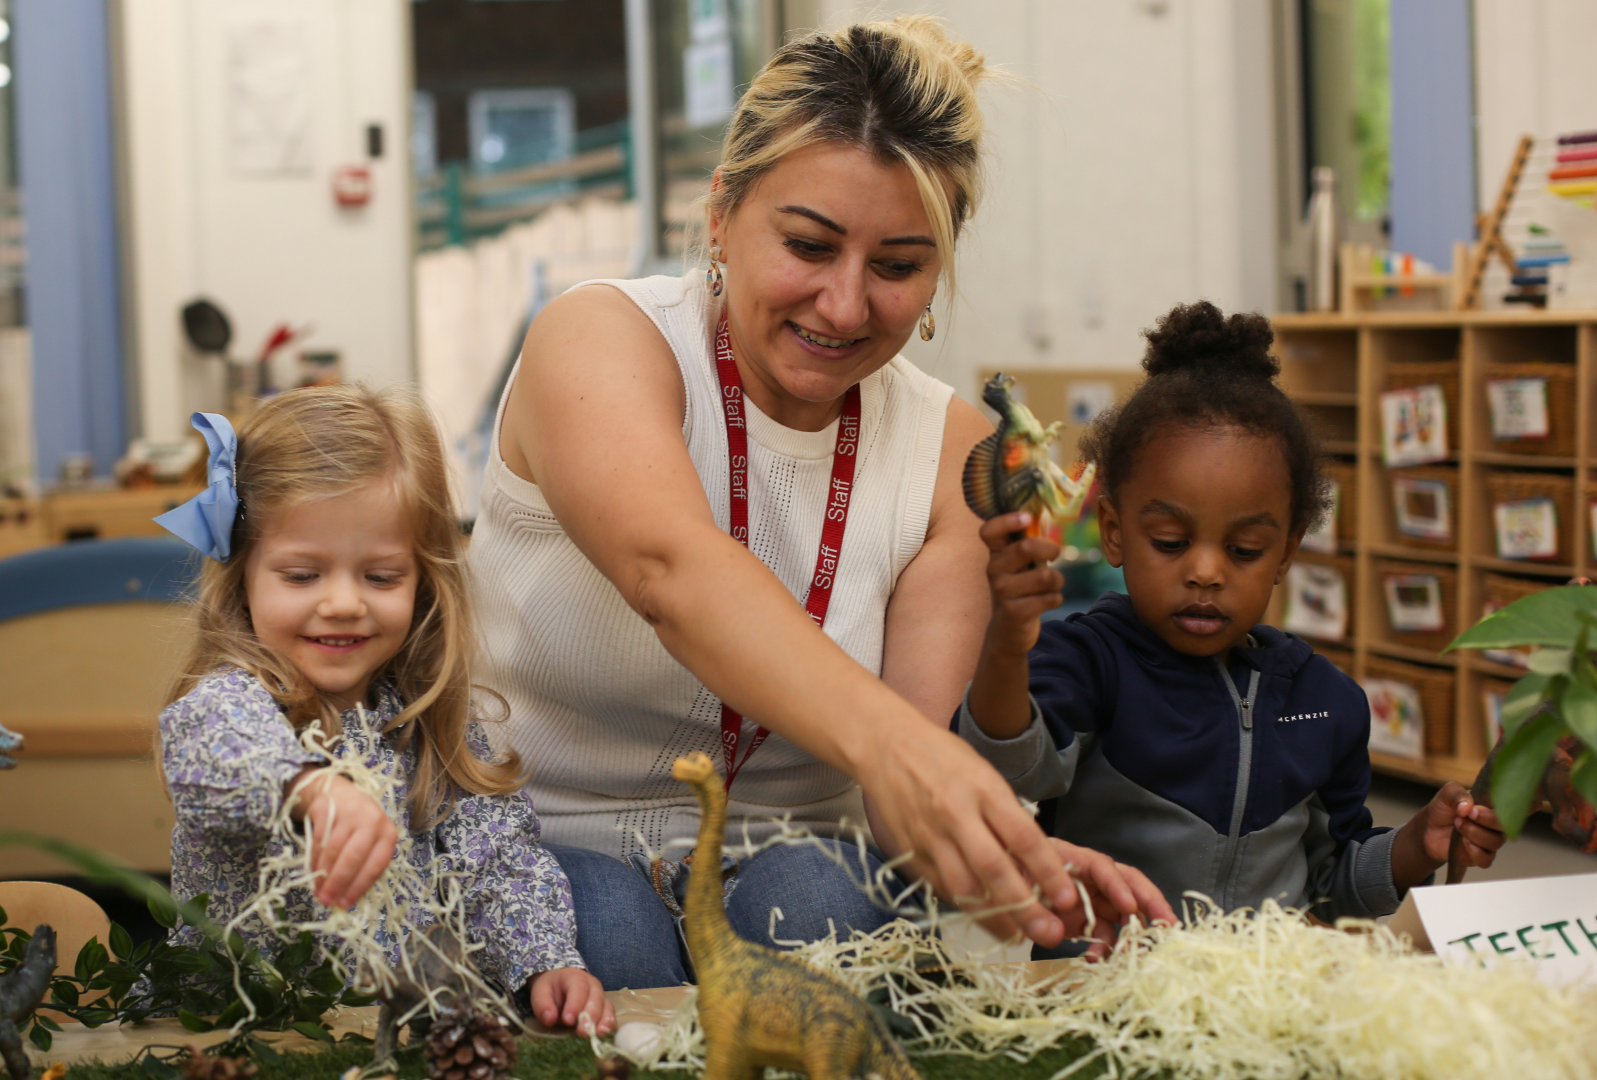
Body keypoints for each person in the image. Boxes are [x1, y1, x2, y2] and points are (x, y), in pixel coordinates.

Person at [468, 15, 1173, 989]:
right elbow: (668, 567)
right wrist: (896, 752)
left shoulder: (951, 450)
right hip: (546, 835)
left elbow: (900, 805)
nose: (843, 307)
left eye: (896, 267)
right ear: (721, 214)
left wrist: (1003, 854)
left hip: (791, 852)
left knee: (832, 921)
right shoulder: (601, 340)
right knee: (609, 941)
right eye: (808, 244)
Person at [958, 302, 1507, 946]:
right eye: (1169, 540)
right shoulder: (1087, 659)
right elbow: (1005, 770)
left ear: (1286, 552)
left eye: (1244, 550)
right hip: (1107, 999)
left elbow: (1333, 886)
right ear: (1113, 532)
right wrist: (1005, 644)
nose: (1207, 572)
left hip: (1266, 1006)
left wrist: (1417, 845)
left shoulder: (1325, 703)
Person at [154, 385, 612, 1034]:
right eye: (302, 575)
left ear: (423, 581)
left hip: (395, 1029)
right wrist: (311, 789)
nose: (343, 603)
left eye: (380, 576)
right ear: (243, 575)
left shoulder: (426, 723)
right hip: (253, 1031)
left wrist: (546, 961)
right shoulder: (233, 705)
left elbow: (496, 861)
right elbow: (210, 745)